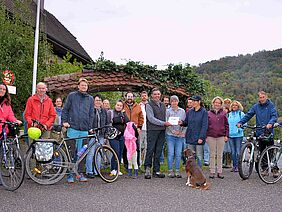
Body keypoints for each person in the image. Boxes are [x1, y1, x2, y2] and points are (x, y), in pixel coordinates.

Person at [237, 91, 278, 174]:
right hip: (259, 131)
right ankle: (265, 169)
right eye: (260, 97)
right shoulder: (256, 106)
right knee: (262, 150)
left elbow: (274, 116)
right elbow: (248, 115)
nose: (262, 99)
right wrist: (241, 122)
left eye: (263, 97)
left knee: (270, 151)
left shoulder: (271, 106)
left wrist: (270, 123)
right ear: (258, 98)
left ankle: (275, 169)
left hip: (268, 132)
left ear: (266, 97)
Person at [62, 78, 94, 183]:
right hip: (73, 128)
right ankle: (70, 174)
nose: (84, 87)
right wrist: (65, 121)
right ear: (78, 86)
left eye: (86, 85)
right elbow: (65, 110)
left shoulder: (90, 99)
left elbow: (91, 114)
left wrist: (90, 127)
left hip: (84, 130)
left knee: (82, 153)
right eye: (82, 85)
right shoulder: (72, 96)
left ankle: (80, 173)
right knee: (72, 152)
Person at [144, 88, 172, 179]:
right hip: (152, 130)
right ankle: (147, 169)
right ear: (152, 95)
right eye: (155, 94)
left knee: (159, 151)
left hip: (162, 131)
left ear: (160, 95)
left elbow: (166, 117)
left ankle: (156, 170)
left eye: (158, 94)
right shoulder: (149, 105)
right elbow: (151, 118)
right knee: (150, 149)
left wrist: (175, 121)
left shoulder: (163, 105)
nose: (157, 96)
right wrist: (164, 123)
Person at [85, 94, 110, 178]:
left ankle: (97, 171)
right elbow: (87, 121)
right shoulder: (90, 110)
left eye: (99, 100)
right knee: (91, 153)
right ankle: (89, 171)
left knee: (99, 153)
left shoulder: (104, 111)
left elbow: (107, 122)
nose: (98, 102)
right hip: (92, 134)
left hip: (101, 135)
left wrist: (106, 134)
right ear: (93, 101)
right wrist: (90, 129)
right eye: (96, 100)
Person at [181, 95, 208, 168]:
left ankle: (199, 173)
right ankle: (192, 173)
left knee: (199, 156)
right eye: (192, 101)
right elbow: (186, 123)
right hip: (190, 137)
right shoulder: (190, 112)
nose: (193, 102)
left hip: (199, 137)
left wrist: (201, 137)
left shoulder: (204, 112)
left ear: (199, 102)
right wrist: (181, 123)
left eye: (194, 101)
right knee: (190, 157)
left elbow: (204, 126)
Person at [207, 96, 229, 179]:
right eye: (215, 102)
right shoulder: (208, 113)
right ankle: (212, 171)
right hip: (210, 136)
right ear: (213, 103)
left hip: (221, 136)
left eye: (219, 103)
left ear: (221, 104)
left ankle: (219, 172)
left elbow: (226, 125)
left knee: (220, 155)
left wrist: (226, 135)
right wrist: (205, 136)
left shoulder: (224, 113)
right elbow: (206, 125)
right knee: (212, 154)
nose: (217, 104)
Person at [166, 95, 186, 178]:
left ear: (178, 102)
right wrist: (173, 131)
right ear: (170, 102)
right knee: (170, 153)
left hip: (180, 136)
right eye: (172, 101)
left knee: (178, 154)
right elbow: (166, 123)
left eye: (176, 101)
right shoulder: (167, 111)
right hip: (170, 135)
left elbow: (185, 123)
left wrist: (182, 132)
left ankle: (177, 170)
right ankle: (170, 171)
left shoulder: (182, 111)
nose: (174, 102)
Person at [123, 91, 144, 172]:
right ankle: (127, 165)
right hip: (126, 130)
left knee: (136, 148)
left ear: (133, 98)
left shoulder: (138, 106)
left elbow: (141, 118)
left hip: (135, 130)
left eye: (131, 96)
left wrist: (139, 127)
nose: (129, 98)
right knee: (125, 148)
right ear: (126, 97)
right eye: (128, 96)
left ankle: (137, 165)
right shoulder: (123, 106)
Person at [108, 100, 130, 176]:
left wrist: (123, 113)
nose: (119, 106)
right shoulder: (110, 113)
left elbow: (127, 121)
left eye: (120, 106)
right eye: (118, 105)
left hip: (121, 136)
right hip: (113, 136)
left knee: (120, 153)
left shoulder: (122, 114)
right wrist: (119, 120)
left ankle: (117, 169)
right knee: (115, 152)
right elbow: (111, 121)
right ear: (115, 105)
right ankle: (112, 169)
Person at [228, 100, 245, 172]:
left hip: (238, 135)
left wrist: (239, 130)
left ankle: (238, 166)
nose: (234, 106)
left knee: (238, 152)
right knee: (233, 152)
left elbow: (245, 124)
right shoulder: (229, 114)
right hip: (230, 135)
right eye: (233, 105)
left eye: (236, 105)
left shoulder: (241, 114)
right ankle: (234, 166)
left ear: (238, 106)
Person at [160, 95, 170, 164]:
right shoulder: (160, 108)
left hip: (170, 129)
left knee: (170, 145)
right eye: (165, 101)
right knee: (161, 145)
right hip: (162, 128)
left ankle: (170, 160)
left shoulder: (171, 108)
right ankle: (162, 160)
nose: (166, 102)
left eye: (167, 101)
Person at [139, 91, 148, 166]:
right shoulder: (138, 106)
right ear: (141, 97)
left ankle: (145, 162)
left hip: (149, 129)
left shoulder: (150, 105)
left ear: (147, 96)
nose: (144, 97)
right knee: (139, 146)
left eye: (145, 95)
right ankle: (139, 162)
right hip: (141, 129)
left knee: (147, 147)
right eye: (142, 96)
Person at [222, 98, 232, 168]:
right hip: (223, 131)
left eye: (228, 103)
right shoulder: (222, 112)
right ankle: (224, 162)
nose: (227, 104)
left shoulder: (232, 112)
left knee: (229, 148)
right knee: (224, 148)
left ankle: (229, 162)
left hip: (231, 132)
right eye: (225, 102)